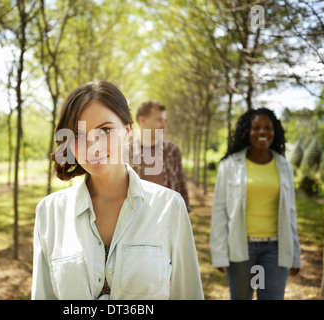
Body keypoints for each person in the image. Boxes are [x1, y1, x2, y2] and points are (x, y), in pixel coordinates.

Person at [31, 81, 204, 300]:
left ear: (127, 131)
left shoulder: (170, 208)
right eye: (79, 135)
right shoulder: (49, 213)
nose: (94, 147)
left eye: (105, 130)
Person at [210, 107, 301, 300]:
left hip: (275, 250)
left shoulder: (284, 166)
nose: (262, 132)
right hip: (241, 248)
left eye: (268, 127)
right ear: (247, 132)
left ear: (274, 132)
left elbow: (290, 212)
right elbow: (219, 211)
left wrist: (294, 253)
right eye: (256, 127)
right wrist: (219, 252)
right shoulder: (229, 165)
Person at [126, 101, 192, 213]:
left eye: (164, 121)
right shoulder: (126, 152)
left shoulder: (172, 150)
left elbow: (181, 188)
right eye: (159, 120)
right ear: (142, 120)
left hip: (168, 220)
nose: (164, 125)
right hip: (137, 222)